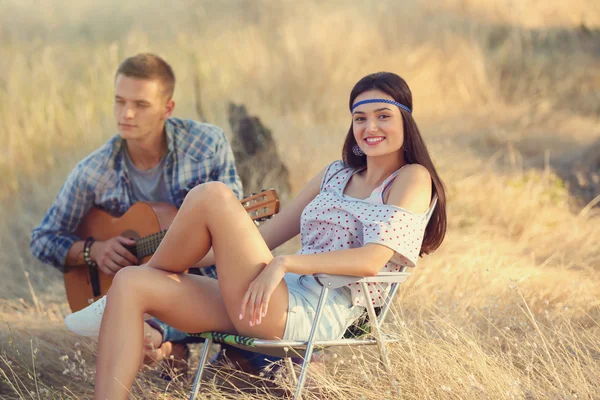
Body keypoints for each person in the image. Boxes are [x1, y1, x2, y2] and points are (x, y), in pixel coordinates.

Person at [67, 71, 447, 399]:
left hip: (314, 309)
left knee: (213, 194)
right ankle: (121, 303)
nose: (370, 128)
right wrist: (203, 249)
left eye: (383, 116)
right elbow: (263, 238)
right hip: (268, 296)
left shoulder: (412, 178)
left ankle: (112, 301)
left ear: (405, 122)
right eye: (359, 118)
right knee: (132, 281)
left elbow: (371, 260)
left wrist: (285, 263)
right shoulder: (336, 174)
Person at [29, 52, 269, 375]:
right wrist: (93, 251)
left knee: (247, 371)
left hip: (212, 287)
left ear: (167, 109)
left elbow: (232, 236)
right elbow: (42, 238)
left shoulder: (206, 145)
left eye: (140, 105)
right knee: (151, 343)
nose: (126, 114)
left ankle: (167, 339)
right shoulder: (94, 170)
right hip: (140, 295)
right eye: (119, 101)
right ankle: (165, 344)